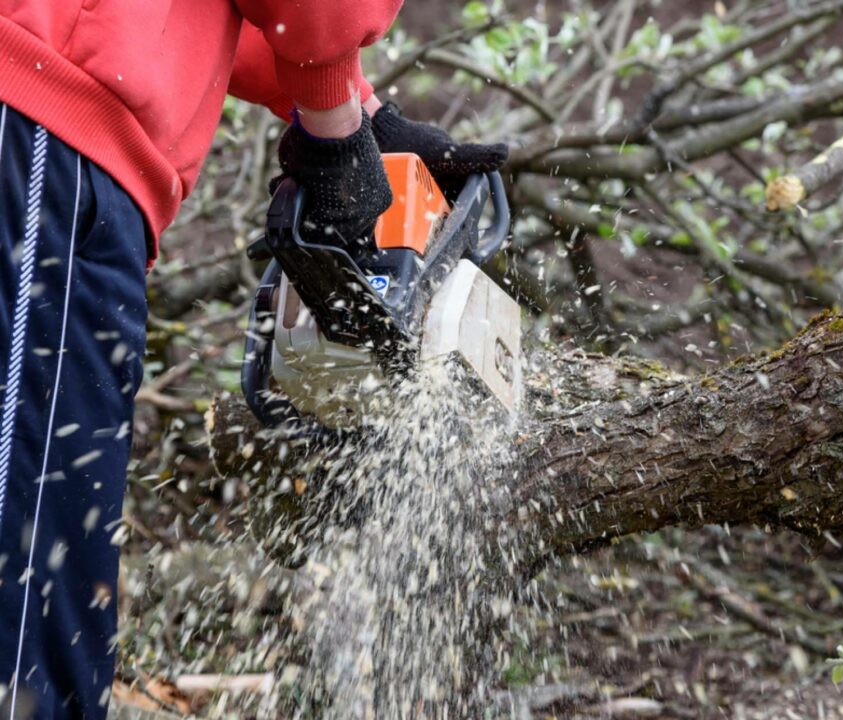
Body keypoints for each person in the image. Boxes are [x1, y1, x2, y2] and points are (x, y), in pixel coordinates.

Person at [0, 2, 508, 718]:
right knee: (30, 609)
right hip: (42, 110)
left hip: (54, 121)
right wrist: (332, 130)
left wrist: (358, 113)